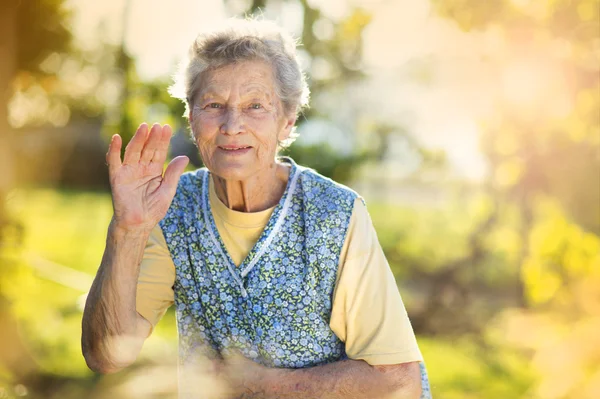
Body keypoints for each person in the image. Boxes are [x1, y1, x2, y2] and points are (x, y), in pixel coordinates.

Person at [81, 18, 432, 399]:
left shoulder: (334, 214)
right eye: (214, 105)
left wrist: (255, 386)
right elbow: (106, 355)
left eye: (255, 106)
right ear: (192, 116)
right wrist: (128, 230)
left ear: (287, 120)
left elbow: (397, 381)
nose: (232, 125)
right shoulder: (170, 206)